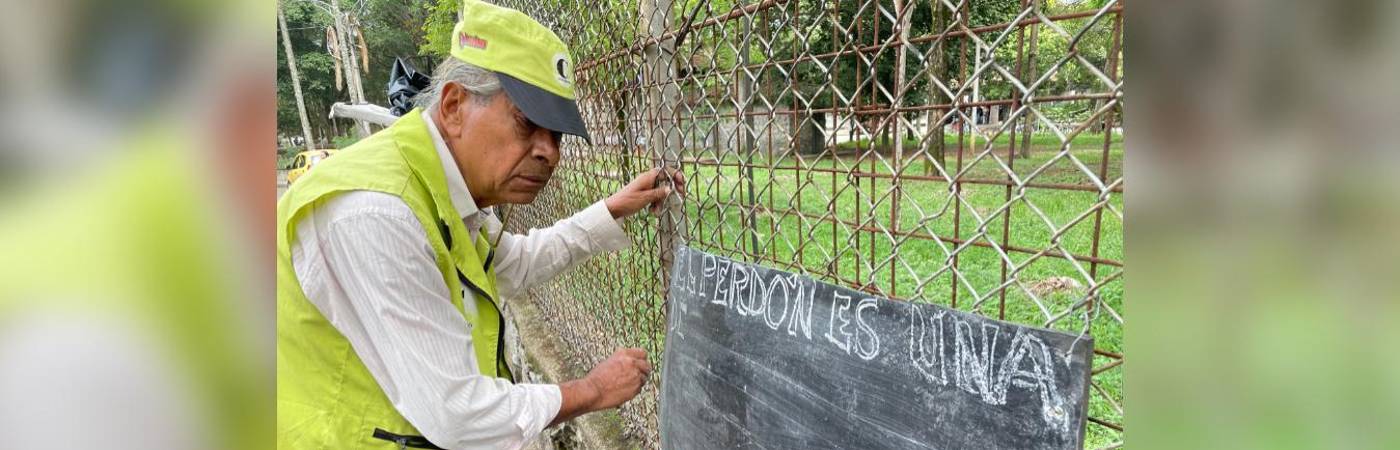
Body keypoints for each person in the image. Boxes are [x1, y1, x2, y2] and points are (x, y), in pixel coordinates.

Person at [276, 1, 683, 448]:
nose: (549, 152)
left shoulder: (442, 188)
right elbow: (458, 414)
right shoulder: (376, 213)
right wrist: (591, 390)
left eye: (558, 135)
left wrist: (612, 209)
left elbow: (513, 264)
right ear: (453, 105)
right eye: (528, 123)